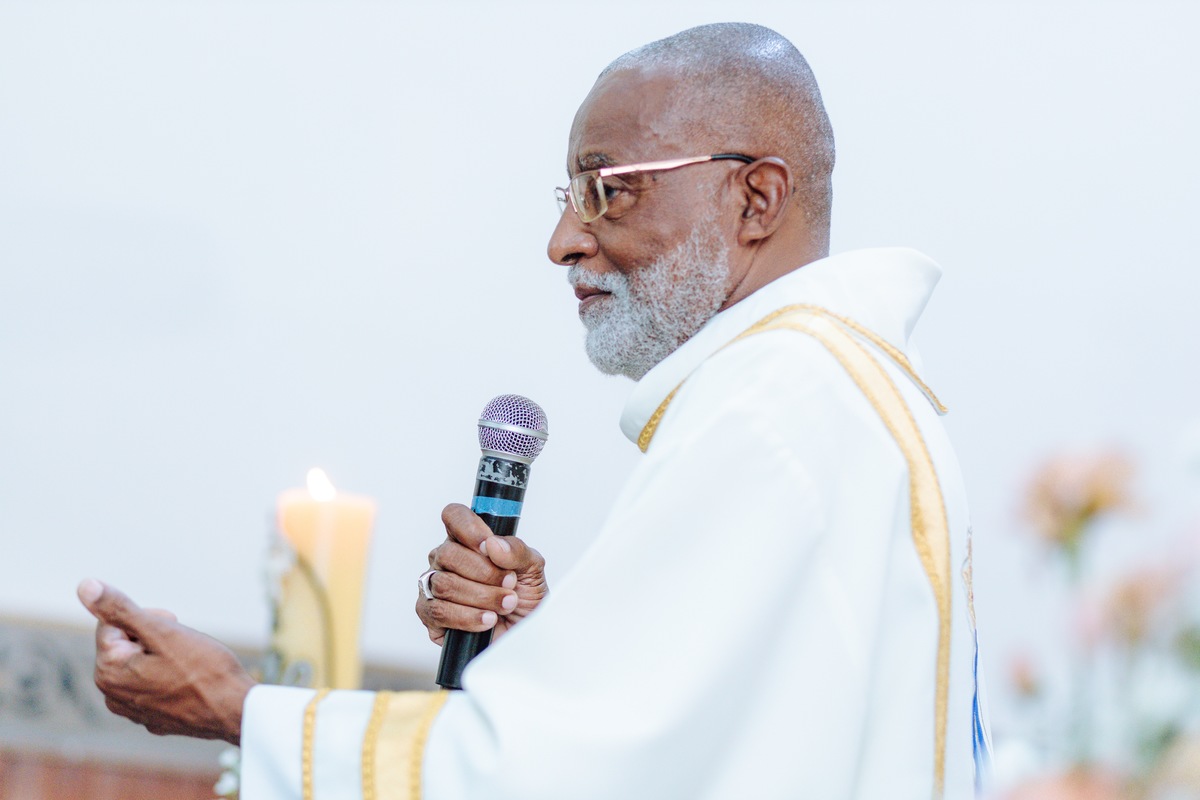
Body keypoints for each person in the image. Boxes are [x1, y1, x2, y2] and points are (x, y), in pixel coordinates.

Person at [79, 22, 991, 799]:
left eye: (610, 189)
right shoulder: (834, 392)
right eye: (570, 196)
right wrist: (555, 655)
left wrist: (239, 709)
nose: (564, 241)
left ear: (756, 196)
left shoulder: (774, 408)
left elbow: (549, 777)